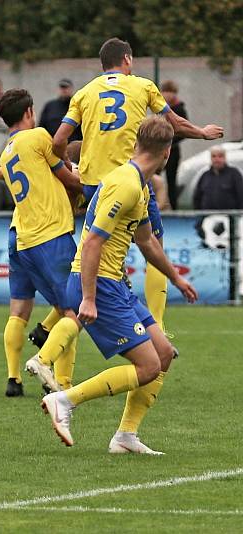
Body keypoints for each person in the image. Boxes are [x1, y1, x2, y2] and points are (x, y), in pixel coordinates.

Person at [42, 115, 198, 453]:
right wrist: (88, 298)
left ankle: (125, 437)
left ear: (136, 144)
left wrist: (176, 278)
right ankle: (65, 401)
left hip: (116, 285)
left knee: (164, 354)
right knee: (148, 366)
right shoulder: (126, 184)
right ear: (167, 152)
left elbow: (146, 241)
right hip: (99, 284)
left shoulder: (138, 185)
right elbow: (94, 242)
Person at [52, 36, 222, 336]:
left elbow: (59, 139)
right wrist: (203, 133)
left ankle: (50, 329)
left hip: (93, 186)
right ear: (127, 59)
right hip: (130, 181)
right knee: (151, 243)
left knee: (93, 253)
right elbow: (174, 124)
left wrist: (67, 165)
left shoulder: (84, 93)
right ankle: (157, 324)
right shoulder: (143, 86)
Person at [0, 89, 82, 397]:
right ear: (29, 112)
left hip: (20, 236)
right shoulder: (38, 137)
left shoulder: (10, 150)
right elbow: (71, 180)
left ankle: (13, 379)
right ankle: (59, 380)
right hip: (49, 235)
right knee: (73, 310)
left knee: (19, 310)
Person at [160, 80, 187, 208]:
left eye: (171, 93)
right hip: (158, 150)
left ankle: (174, 207)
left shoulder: (179, 109)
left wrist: (169, 140)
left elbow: (184, 130)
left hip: (173, 150)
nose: (168, 96)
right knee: (153, 178)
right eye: (165, 92)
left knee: (171, 180)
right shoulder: (159, 107)